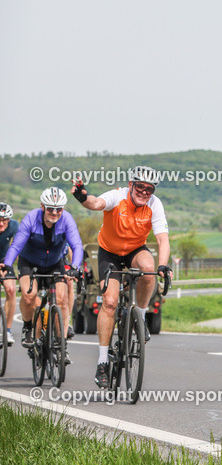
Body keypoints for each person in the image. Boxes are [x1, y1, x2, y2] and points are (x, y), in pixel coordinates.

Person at [72, 166, 171, 389]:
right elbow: (96, 203)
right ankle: (102, 361)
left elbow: (163, 240)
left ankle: (141, 317)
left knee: (149, 269)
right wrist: (82, 197)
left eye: (149, 189)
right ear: (131, 185)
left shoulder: (155, 205)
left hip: (136, 249)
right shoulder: (117, 197)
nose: (144, 192)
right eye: (140, 187)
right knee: (109, 302)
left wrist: (163, 265)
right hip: (110, 253)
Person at [0, 188, 83, 363]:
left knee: (61, 299)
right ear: (42, 206)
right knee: (29, 296)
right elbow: (16, 246)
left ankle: (62, 346)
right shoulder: (31, 218)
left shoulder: (66, 219)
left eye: (58, 209)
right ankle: (28, 327)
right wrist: (7, 265)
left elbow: (76, 246)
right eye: (50, 208)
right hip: (29, 262)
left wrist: (75, 267)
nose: (54, 212)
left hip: (54, 263)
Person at [0, 202, 19, 346]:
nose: (1, 224)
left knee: (11, 290)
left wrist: (9, 262)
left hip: (5, 260)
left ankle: (7, 330)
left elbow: (17, 246)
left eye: (4, 220)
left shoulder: (14, 226)